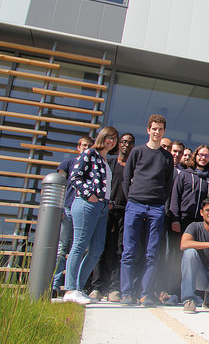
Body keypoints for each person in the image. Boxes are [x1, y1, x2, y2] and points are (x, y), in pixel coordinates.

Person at [120, 115, 174, 306]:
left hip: (156, 208)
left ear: (164, 131)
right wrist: (131, 199)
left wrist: (161, 204)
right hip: (135, 205)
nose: (157, 132)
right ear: (148, 130)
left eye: (160, 129)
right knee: (129, 250)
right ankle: (126, 293)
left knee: (152, 253)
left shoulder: (167, 157)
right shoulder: (137, 151)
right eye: (154, 129)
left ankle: (145, 294)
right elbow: (126, 178)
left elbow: (168, 184)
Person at [63, 127, 118, 304]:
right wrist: (89, 195)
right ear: (102, 137)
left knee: (96, 250)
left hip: (102, 208)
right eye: (109, 137)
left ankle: (79, 288)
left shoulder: (105, 160)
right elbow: (75, 177)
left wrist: (108, 202)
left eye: (114, 139)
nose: (112, 141)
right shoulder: (90, 153)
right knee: (79, 245)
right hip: (86, 204)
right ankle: (70, 289)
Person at [90, 133, 135, 303]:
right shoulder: (108, 163)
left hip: (125, 212)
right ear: (119, 145)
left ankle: (114, 288)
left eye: (130, 143)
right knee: (100, 248)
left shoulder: (134, 166)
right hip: (105, 210)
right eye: (123, 142)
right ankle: (97, 287)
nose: (126, 145)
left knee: (119, 250)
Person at [52, 135, 93, 297]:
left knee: (81, 248)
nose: (85, 148)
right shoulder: (68, 163)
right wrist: (59, 207)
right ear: (78, 147)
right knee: (62, 248)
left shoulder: (93, 168)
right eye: (83, 145)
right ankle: (55, 285)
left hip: (84, 211)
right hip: (68, 208)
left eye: (88, 146)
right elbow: (59, 183)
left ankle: (76, 287)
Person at [170, 144, 209, 232]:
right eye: (201, 155)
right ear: (195, 156)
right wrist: (175, 220)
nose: (203, 158)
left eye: (206, 156)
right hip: (183, 220)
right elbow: (175, 197)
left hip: (202, 222)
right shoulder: (185, 174)